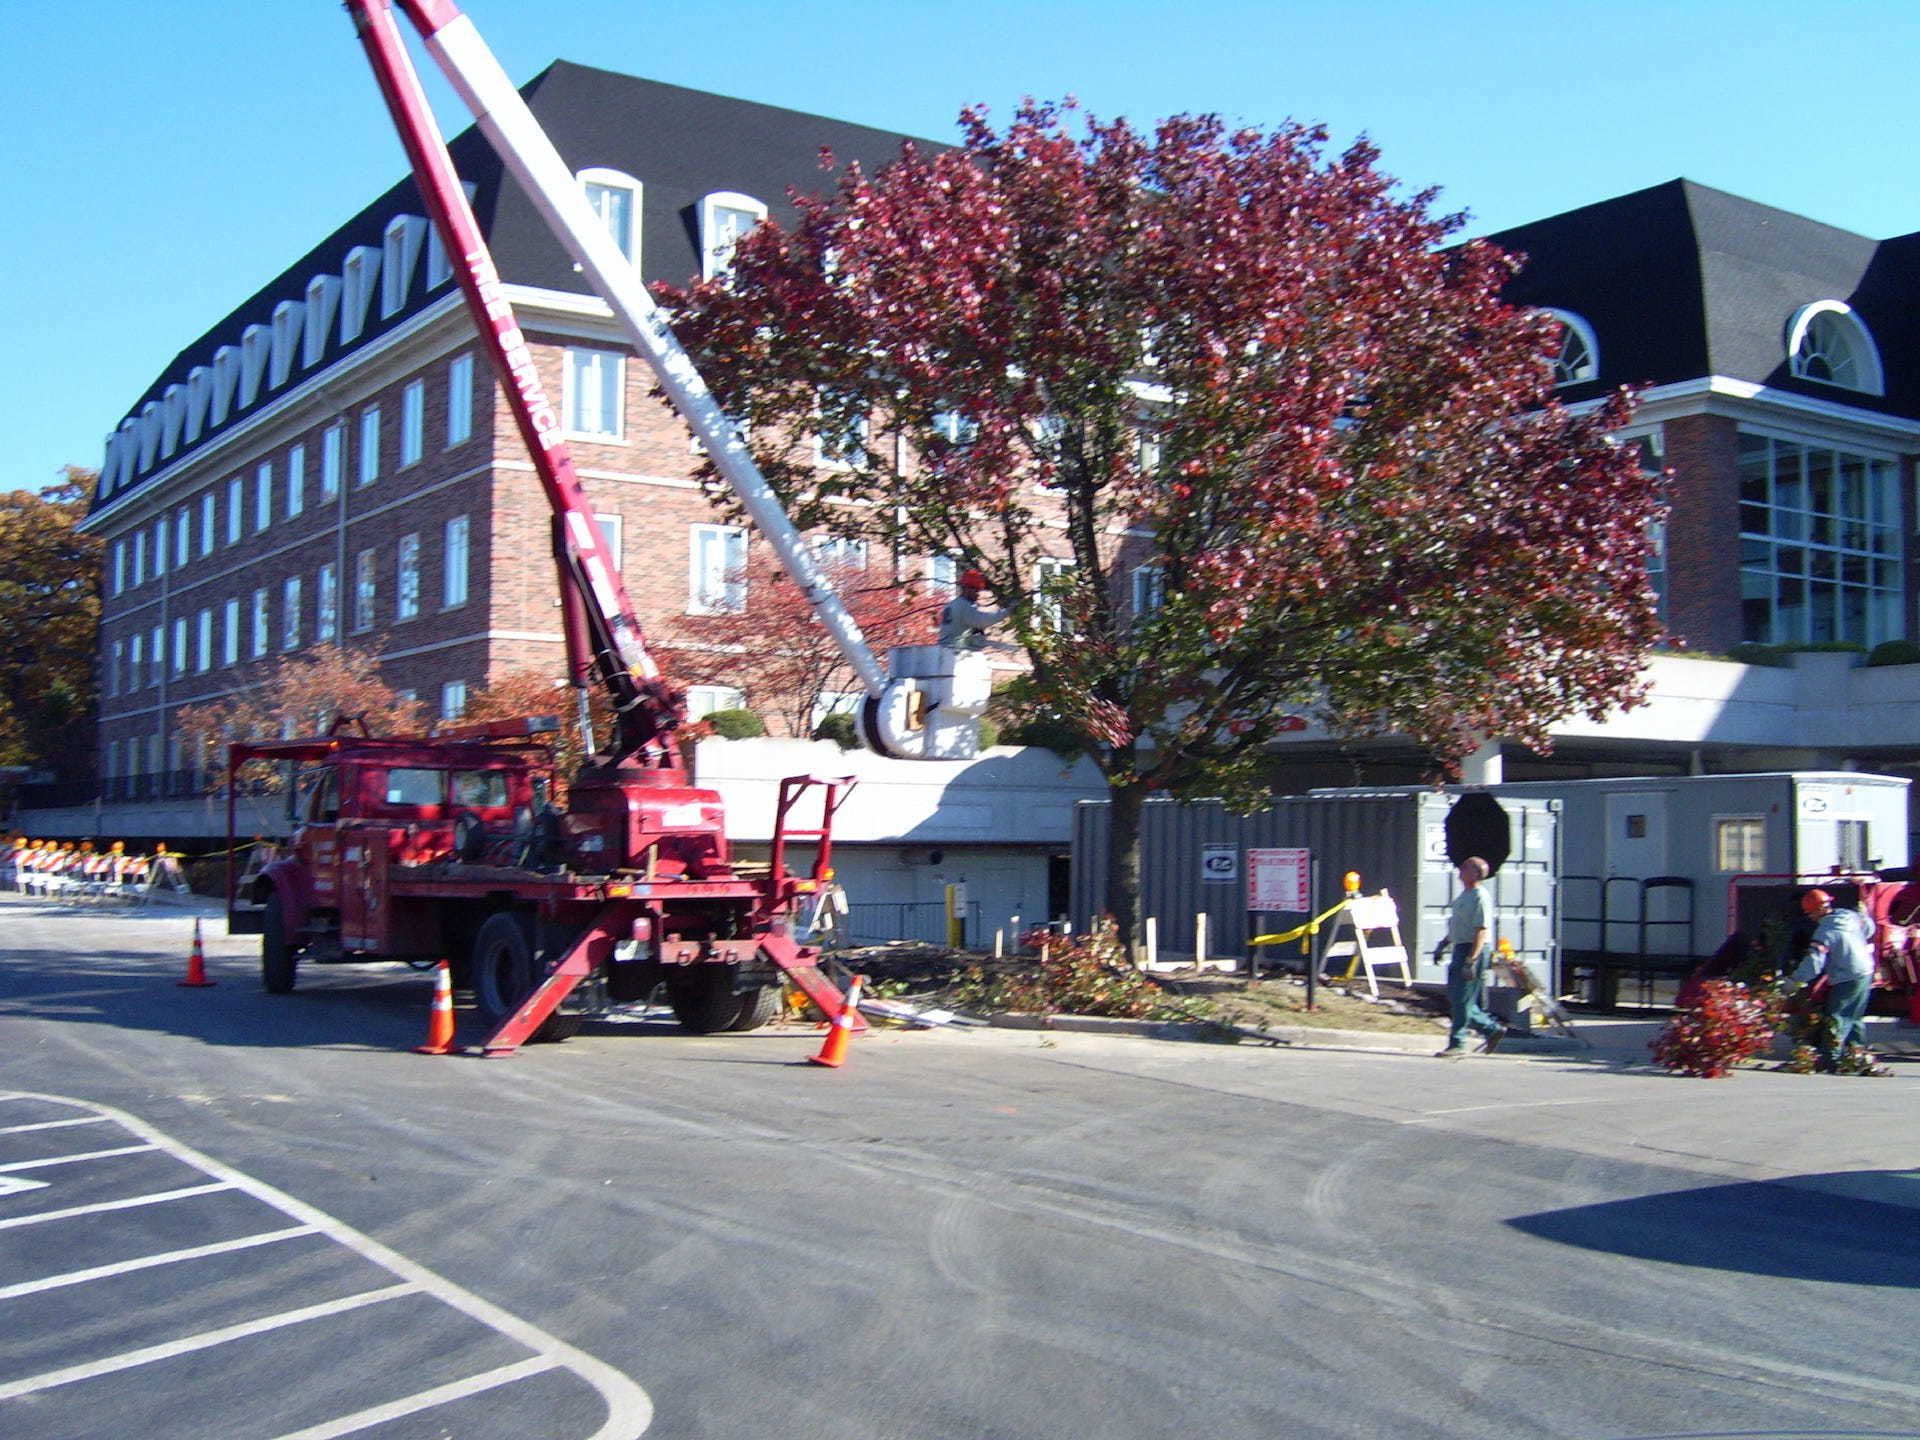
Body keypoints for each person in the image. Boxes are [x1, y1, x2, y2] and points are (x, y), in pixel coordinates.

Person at [1789, 888, 1879, 1073]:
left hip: (1847, 975)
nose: (1810, 918)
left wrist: (1795, 981)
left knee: (1837, 1016)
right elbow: (1869, 928)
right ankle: (1857, 1055)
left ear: (1817, 910)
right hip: (1865, 971)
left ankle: (1832, 1059)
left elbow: (1815, 962)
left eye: (1810, 913)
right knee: (1854, 1017)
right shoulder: (1850, 916)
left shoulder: (1825, 931)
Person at [1436, 856, 1506, 1058]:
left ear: (1476, 873)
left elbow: (1480, 931)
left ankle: (1458, 1043)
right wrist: (1444, 944)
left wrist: (1471, 960)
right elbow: (1459, 925)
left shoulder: (1480, 896)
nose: (1461, 869)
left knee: (1462, 998)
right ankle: (1491, 1029)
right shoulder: (1464, 896)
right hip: (1459, 947)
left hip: (1473, 950)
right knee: (1456, 997)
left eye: (1465, 867)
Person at [937, 569, 1008, 651]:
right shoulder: (964, 606)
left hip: (946, 649)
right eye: (976, 590)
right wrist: (1008, 611)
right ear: (967, 588)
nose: (978, 594)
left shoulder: (953, 604)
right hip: (957, 651)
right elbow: (982, 621)